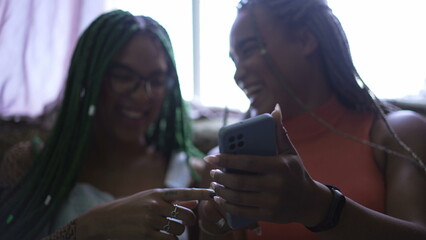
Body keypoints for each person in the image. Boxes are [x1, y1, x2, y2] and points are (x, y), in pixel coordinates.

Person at [203, 0, 426, 239]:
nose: (238, 74)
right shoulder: (227, 161)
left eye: (247, 51)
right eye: (234, 61)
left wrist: (319, 207)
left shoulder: (396, 134)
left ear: (305, 40)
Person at [0, 10, 215, 240]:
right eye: (123, 76)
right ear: (91, 77)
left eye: (156, 81)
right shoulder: (31, 163)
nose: (143, 95)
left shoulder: (193, 175)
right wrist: (88, 227)